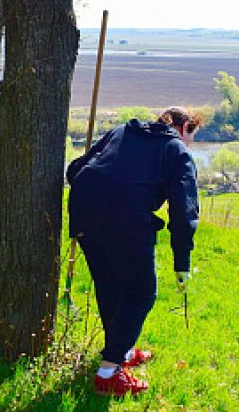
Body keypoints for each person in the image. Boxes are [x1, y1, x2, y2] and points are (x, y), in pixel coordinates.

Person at [66, 106, 202, 397]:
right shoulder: (177, 150)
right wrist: (183, 263)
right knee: (141, 293)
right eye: (192, 136)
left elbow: (75, 169)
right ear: (185, 128)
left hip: (83, 209)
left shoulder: (122, 131)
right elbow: (184, 212)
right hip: (126, 216)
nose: (190, 143)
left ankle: (123, 352)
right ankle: (108, 372)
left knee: (109, 286)